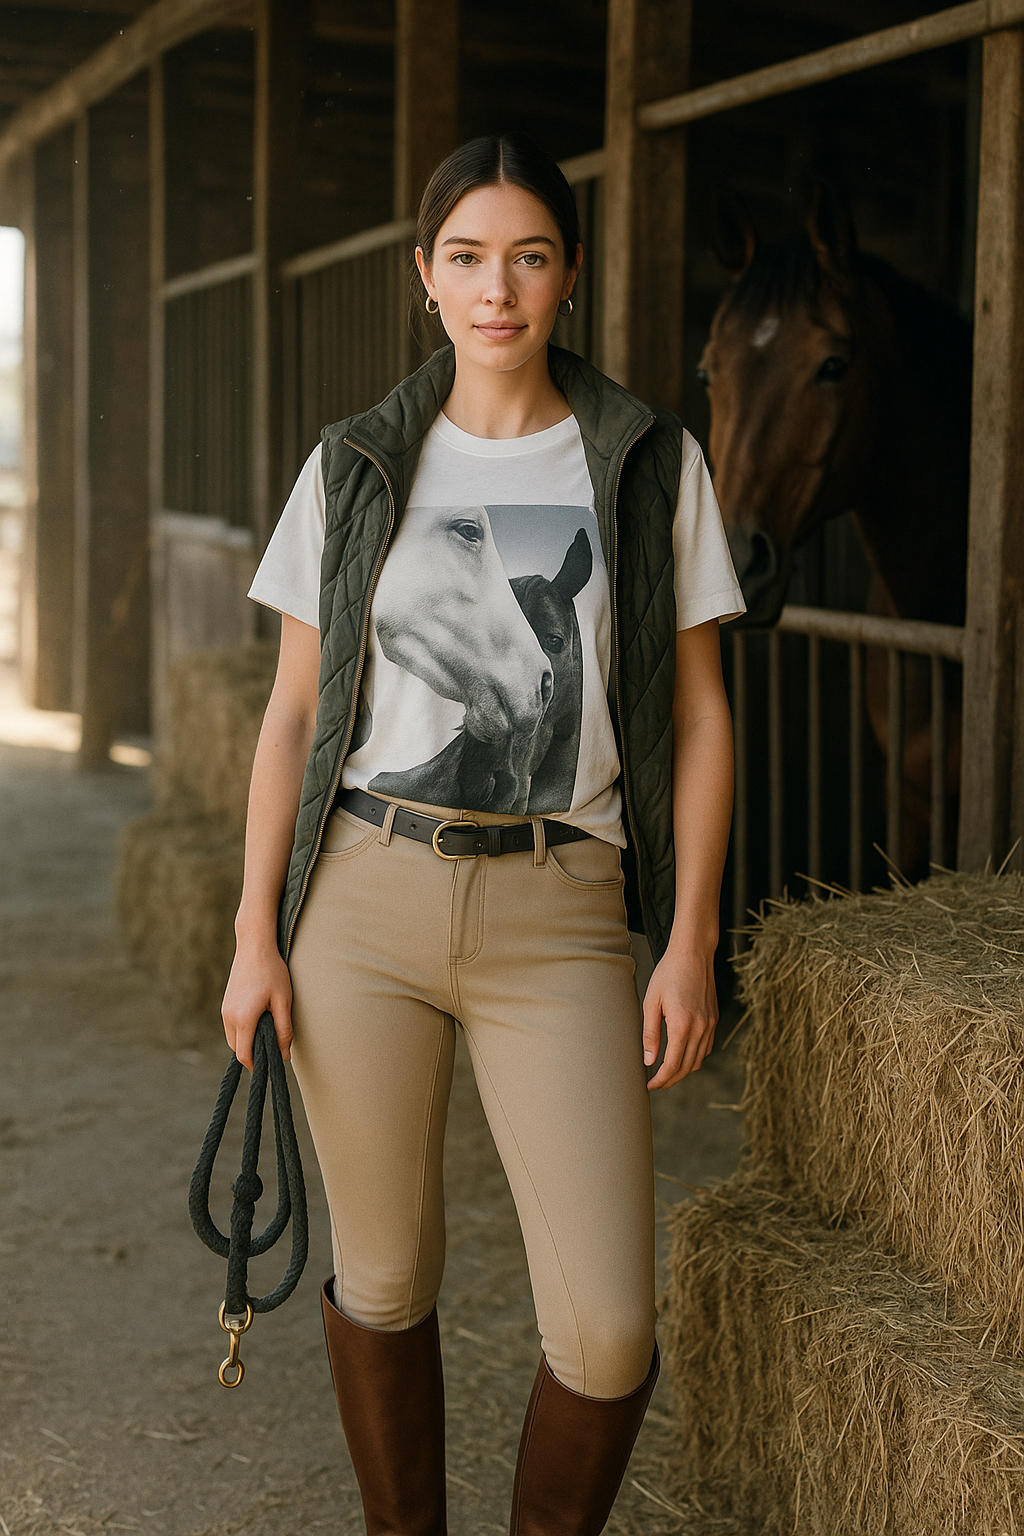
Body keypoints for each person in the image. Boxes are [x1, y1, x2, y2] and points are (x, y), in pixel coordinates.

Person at [222, 132, 744, 1536]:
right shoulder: (352, 465)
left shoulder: (650, 463)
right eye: (466, 258)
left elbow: (701, 716)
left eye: (527, 256)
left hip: (561, 908)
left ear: (568, 275)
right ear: (426, 277)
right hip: (362, 898)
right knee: (384, 1277)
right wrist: (254, 936)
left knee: (609, 1331)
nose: (496, 289)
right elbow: (291, 715)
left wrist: (689, 939)